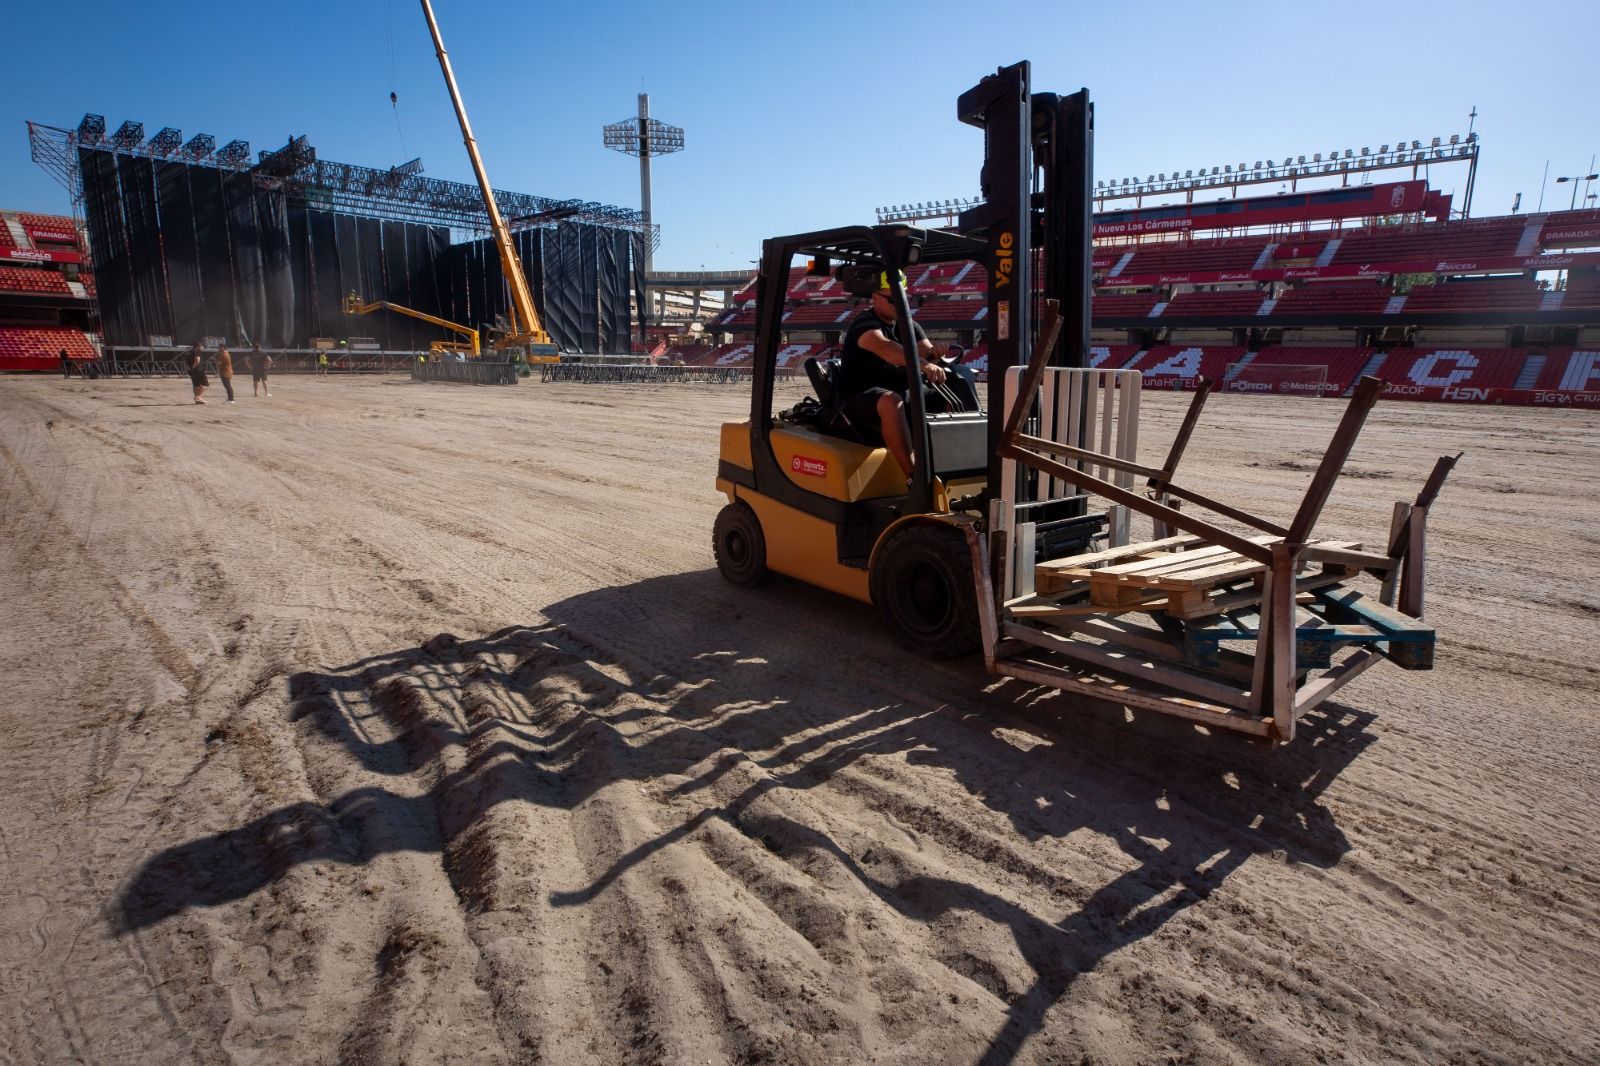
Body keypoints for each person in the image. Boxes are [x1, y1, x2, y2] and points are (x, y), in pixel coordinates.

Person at [835, 271, 955, 481]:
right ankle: (915, 479)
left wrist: (936, 353)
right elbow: (886, 348)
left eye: (903, 297)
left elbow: (924, 349)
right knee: (891, 402)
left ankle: (954, 463)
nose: (898, 303)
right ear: (875, 297)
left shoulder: (906, 324)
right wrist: (924, 363)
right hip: (860, 396)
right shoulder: (865, 323)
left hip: (899, 389)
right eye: (892, 299)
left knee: (950, 396)